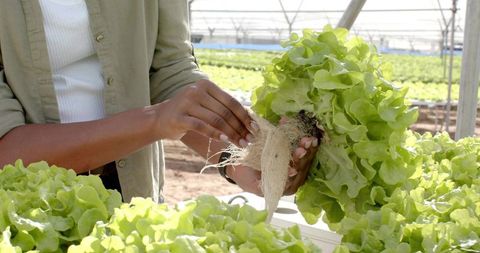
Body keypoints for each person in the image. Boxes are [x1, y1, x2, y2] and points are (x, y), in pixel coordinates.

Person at [0, 0, 317, 202]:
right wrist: (153, 121)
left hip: (131, 194)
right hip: (25, 206)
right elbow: (5, 148)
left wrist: (239, 159)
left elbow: (171, 71)